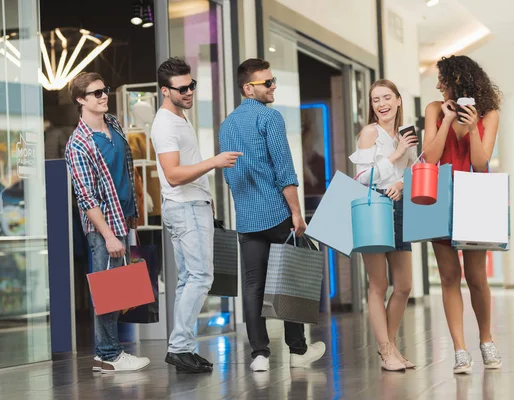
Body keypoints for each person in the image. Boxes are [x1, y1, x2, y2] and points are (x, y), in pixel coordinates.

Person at [219, 58, 326, 372]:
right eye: (268, 82)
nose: (273, 86)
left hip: (247, 218)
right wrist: (297, 214)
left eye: (273, 80)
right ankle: (297, 350)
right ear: (248, 87)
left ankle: (260, 355)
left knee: (253, 285)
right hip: (276, 213)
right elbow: (285, 171)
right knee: (291, 278)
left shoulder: (226, 125)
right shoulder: (270, 118)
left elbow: (229, 176)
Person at [151, 57, 242, 373]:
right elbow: (173, 174)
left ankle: (184, 347)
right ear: (166, 90)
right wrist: (214, 162)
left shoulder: (179, 118)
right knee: (201, 276)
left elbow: (183, 169)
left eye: (192, 85)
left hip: (193, 206)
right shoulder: (164, 124)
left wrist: (207, 198)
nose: (189, 91)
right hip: (185, 208)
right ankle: (179, 347)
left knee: (190, 278)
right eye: (182, 88)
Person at [65, 72, 150, 373]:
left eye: (105, 91)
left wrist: (131, 217)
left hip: (122, 217)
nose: (103, 96)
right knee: (108, 288)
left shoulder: (112, 124)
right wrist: (109, 235)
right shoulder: (78, 144)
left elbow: (126, 171)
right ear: (80, 99)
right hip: (104, 226)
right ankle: (111, 354)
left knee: (119, 287)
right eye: (96, 93)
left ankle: (107, 353)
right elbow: (87, 199)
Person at [423, 55, 502, 374]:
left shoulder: (489, 113)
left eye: (443, 79)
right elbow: (430, 156)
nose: (439, 85)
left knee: (477, 277)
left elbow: (482, 163)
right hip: (440, 198)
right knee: (448, 276)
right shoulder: (434, 109)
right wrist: (444, 122)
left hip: (475, 198)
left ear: (459, 80)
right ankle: (459, 349)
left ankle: (486, 339)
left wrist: (471, 129)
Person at [349, 79, 418, 371]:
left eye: (387, 98)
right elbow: (362, 178)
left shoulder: (407, 134)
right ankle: (385, 350)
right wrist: (395, 154)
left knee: (403, 285)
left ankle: (390, 346)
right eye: (376, 100)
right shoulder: (369, 133)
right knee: (378, 283)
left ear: (399, 100)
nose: (382, 104)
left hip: (400, 206)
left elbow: (414, 170)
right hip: (374, 206)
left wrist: (403, 182)